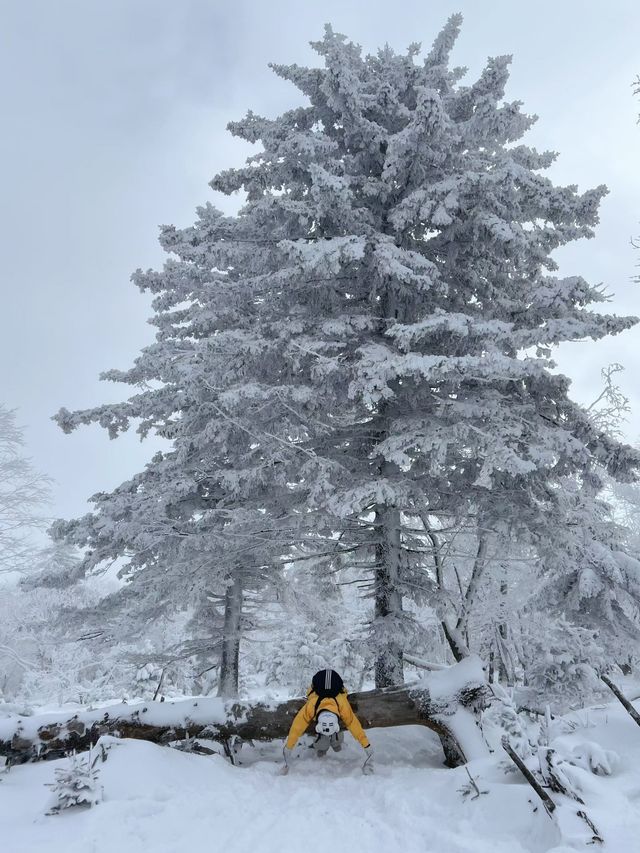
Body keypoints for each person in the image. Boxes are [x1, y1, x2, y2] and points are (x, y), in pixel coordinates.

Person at [282, 668, 374, 774]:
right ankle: (325, 746)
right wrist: (366, 746)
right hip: (326, 696)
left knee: (336, 743)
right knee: (322, 746)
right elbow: (297, 727)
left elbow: (355, 726)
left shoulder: (336, 704)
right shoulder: (315, 705)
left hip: (330, 698)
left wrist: (289, 747)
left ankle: (335, 743)